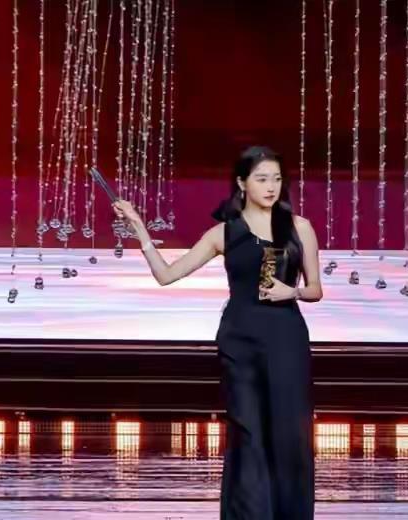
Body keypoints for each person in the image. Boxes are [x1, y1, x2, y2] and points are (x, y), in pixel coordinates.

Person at [113, 145, 323, 519]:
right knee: (248, 433)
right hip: (239, 341)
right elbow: (166, 275)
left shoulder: (299, 228)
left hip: (286, 339)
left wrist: (291, 292)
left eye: (276, 179)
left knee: (289, 432)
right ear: (242, 183)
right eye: (262, 179)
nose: (271, 187)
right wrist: (139, 228)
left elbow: (315, 289)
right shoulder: (224, 234)